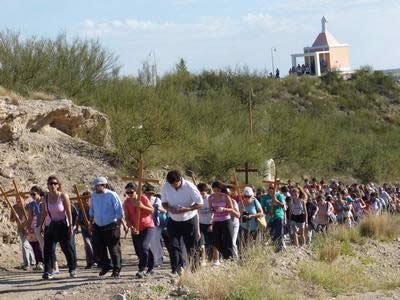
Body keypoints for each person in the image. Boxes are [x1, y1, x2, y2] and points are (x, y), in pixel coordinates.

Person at [161, 170, 203, 275]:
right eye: (172, 185)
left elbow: (200, 203)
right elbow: (164, 203)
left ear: (180, 180)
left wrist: (187, 209)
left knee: (191, 246)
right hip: (173, 220)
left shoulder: (190, 187)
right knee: (173, 245)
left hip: (189, 220)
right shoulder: (166, 186)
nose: (174, 187)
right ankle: (177, 269)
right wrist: (170, 209)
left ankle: (195, 270)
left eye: (176, 184)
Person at [40, 176, 77, 280]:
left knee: (67, 248)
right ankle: (48, 271)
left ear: (58, 185)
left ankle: (72, 269)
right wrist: (41, 225)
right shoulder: (45, 198)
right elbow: (44, 213)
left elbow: (69, 211)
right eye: (50, 183)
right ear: (47, 185)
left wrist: (70, 225)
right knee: (48, 250)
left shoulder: (63, 196)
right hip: (50, 226)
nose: (52, 185)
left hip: (62, 226)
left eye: (54, 183)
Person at [89, 177, 123, 278]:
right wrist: (90, 223)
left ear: (104, 185)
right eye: (95, 186)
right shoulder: (93, 195)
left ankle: (116, 269)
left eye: (97, 186)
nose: (95, 188)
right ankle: (106, 265)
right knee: (99, 247)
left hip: (111, 225)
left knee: (113, 248)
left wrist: (118, 227)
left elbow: (119, 211)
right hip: (98, 225)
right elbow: (92, 210)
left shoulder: (112, 195)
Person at [123, 182, 155, 278]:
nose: (129, 194)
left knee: (143, 246)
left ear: (136, 191)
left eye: (131, 192)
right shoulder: (127, 202)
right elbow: (127, 217)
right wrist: (130, 226)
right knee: (139, 250)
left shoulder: (143, 198)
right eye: (127, 193)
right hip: (135, 228)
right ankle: (151, 266)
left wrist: (142, 206)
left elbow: (151, 210)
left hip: (147, 226)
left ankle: (142, 269)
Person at [208, 182, 235, 264]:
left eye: (218, 190)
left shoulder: (225, 196)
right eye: (214, 190)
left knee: (228, 240)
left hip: (226, 220)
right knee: (216, 241)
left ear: (221, 189)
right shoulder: (210, 197)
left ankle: (230, 259)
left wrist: (224, 209)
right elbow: (210, 209)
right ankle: (224, 255)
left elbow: (232, 209)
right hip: (216, 221)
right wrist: (213, 210)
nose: (216, 192)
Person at [143, 184, 167, 269]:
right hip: (145, 223)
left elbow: (164, 210)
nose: (149, 195)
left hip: (155, 224)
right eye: (147, 193)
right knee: (147, 244)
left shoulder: (156, 200)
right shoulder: (142, 200)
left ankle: (159, 260)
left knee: (155, 241)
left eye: (151, 193)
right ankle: (149, 260)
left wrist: (158, 208)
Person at [10, 196, 36, 270]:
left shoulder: (28, 206)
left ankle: (28, 263)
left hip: (30, 228)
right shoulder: (14, 207)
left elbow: (33, 217)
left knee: (27, 245)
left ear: (24, 200)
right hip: (21, 229)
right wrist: (15, 217)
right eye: (17, 201)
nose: (18, 203)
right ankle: (30, 263)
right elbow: (11, 220)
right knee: (26, 245)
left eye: (20, 201)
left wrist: (28, 225)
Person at [76, 190, 96, 269]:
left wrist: (91, 224)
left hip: (94, 229)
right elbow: (78, 220)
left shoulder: (93, 207)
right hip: (85, 230)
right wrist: (80, 227)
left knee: (95, 245)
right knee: (88, 245)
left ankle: (97, 260)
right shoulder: (81, 209)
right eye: (84, 200)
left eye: (87, 200)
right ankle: (90, 262)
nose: (86, 201)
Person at [27, 186, 45, 270]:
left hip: (46, 225)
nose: (32, 196)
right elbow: (30, 217)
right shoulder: (32, 204)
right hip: (37, 226)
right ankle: (45, 263)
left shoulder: (44, 201)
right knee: (41, 245)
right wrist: (29, 227)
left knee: (47, 245)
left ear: (38, 193)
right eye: (31, 194)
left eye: (33, 194)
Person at [197, 183, 213, 265]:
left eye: (203, 193)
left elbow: (214, 212)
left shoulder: (211, 198)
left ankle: (210, 260)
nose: (202, 195)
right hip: (200, 224)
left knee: (210, 243)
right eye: (200, 194)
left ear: (206, 191)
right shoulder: (196, 199)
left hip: (210, 223)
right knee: (201, 242)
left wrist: (212, 224)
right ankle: (203, 259)